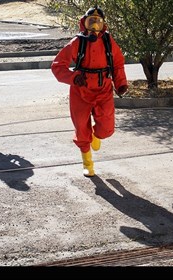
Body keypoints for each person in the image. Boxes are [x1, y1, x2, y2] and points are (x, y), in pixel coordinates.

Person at [51, 6, 128, 177]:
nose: (94, 25)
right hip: (81, 90)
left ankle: (97, 135)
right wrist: (72, 78)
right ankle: (87, 163)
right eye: (91, 21)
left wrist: (121, 82)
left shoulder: (109, 41)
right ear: (84, 23)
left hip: (104, 89)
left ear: (103, 25)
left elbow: (117, 63)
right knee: (81, 127)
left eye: (98, 21)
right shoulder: (77, 43)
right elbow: (57, 66)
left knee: (107, 128)